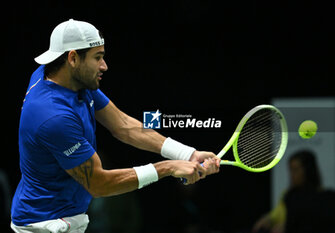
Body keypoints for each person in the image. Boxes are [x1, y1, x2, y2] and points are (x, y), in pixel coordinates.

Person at [11, 19, 220, 233]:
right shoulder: (53, 116)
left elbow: (123, 125)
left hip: (66, 219)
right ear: (73, 58)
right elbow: (99, 184)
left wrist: (187, 154)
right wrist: (168, 167)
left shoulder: (69, 79)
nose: (104, 66)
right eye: (98, 58)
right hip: (43, 225)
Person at [252, 150, 322, 233]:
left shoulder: (319, 198)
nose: (292, 175)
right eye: (290, 170)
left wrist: (289, 226)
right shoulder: (288, 194)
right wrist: (267, 219)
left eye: (295, 170)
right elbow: (276, 215)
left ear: (308, 170)